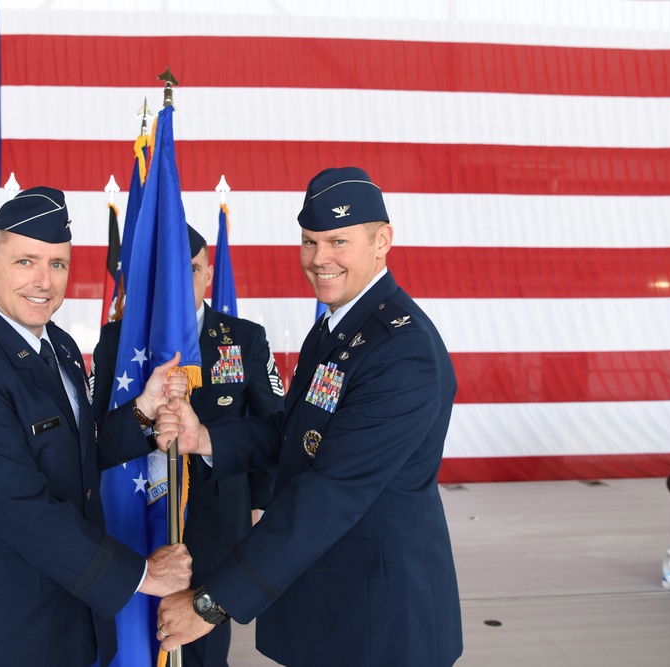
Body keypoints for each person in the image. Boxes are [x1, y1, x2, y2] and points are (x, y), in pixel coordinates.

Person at [154, 167, 463, 666]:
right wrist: (206, 437)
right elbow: (301, 432)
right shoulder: (338, 327)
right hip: (331, 599)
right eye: (309, 241)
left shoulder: (401, 351)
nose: (320, 259)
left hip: (377, 621)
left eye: (338, 241)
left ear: (382, 240)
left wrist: (213, 603)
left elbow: (332, 492)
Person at [0, 186, 192, 667]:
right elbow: (22, 507)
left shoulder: (58, 346)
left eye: (57, 264)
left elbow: (73, 453)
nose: (43, 281)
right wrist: (142, 575)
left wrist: (142, 412)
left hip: (68, 616)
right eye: (26, 262)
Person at [90, 223, 284, 667]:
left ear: (209, 274)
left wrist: (262, 506)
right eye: (169, 277)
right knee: (132, 638)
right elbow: (94, 429)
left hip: (218, 522)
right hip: (133, 515)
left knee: (202, 648)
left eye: (193, 271)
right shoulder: (118, 342)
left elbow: (273, 427)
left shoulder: (244, 338)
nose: (181, 286)